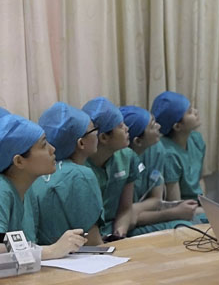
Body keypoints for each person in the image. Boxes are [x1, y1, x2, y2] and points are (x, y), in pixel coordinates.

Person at [151, 91, 219, 233]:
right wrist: (212, 211)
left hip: (200, 207)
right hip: (184, 215)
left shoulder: (196, 139)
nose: (196, 112)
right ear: (177, 126)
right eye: (189, 112)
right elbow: (176, 205)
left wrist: (208, 206)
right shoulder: (168, 154)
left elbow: (199, 179)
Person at [0, 114, 86, 259]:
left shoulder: (26, 191)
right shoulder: (2, 190)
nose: (52, 149)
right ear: (19, 161)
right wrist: (51, 251)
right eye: (44, 144)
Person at [25, 102, 105, 246]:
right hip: (74, 256)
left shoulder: (35, 173)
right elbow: (93, 242)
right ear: (81, 143)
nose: (97, 134)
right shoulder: (80, 175)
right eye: (94, 129)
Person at [120, 105, 197, 236]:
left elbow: (156, 200)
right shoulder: (120, 165)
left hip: (148, 216)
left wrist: (135, 209)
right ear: (138, 141)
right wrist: (174, 213)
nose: (159, 126)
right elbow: (128, 219)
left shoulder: (155, 150)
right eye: (152, 126)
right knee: (187, 229)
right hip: (129, 227)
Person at [83, 97, 137, 239]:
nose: (127, 128)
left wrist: (119, 233)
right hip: (88, 237)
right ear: (104, 138)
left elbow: (126, 208)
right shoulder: (80, 168)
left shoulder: (127, 157)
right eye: (120, 126)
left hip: (113, 231)